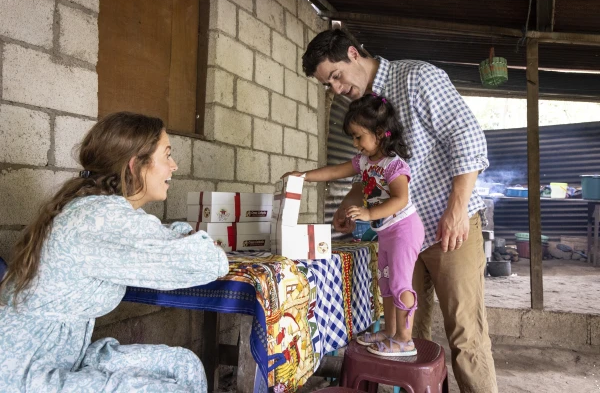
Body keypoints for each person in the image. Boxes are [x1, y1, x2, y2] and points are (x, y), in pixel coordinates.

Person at [302, 29, 497, 392]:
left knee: (466, 336)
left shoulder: (417, 78)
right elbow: (374, 169)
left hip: (447, 227)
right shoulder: (365, 105)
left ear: (353, 54)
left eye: (336, 77)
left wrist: (456, 210)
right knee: (408, 339)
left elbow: (468, 137)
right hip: (401, 235)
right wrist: (349, 205)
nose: (337, 90)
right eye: (328, 85)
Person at [0, 112, 229, 393]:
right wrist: (204, 245)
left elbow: (166, 237)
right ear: (135, 166)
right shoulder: (101, 219)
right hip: (25, 369)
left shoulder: (103, 210)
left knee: (184, 364)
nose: (174, 166)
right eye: (167, 155)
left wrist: (191, 240)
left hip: (66, 353)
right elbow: (207, 262)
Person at [284, 94, 424, 356]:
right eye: (353, 137)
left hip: (404, 230)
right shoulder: (365, 163)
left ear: (380, 133)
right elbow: (335, 171)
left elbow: (400, 199)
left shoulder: (394, 165)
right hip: (387, 232)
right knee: (386, 283)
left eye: (359, 136)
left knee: (401, 283)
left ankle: (406, 339)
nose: (355, 143)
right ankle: (390, 332)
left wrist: (368, 214)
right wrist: (303, 176)